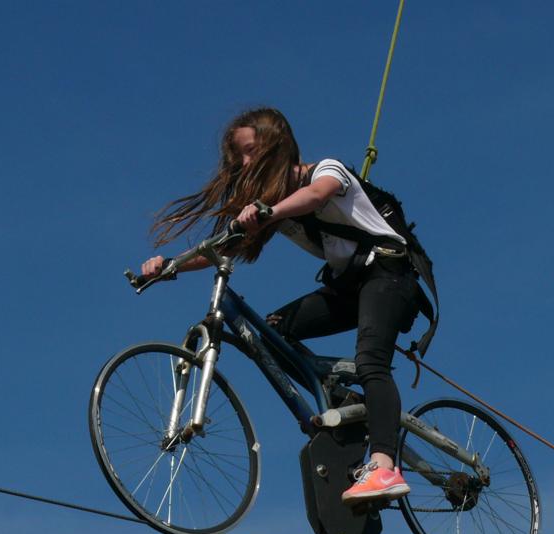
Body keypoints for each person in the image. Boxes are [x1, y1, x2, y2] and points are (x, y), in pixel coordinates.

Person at [140, 107, 421, 503]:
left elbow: (317, 195)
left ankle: (384, 465)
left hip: (390, 275)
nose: (245, 163)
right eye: (239, 156)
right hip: (350, 287)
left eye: (251, 151)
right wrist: (170, 266)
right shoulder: (276, 210)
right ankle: (340, 398)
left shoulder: (327, 171)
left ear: (278, 146)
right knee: (274, 330)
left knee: (371, 361)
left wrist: (270, 212)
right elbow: (224, 247)